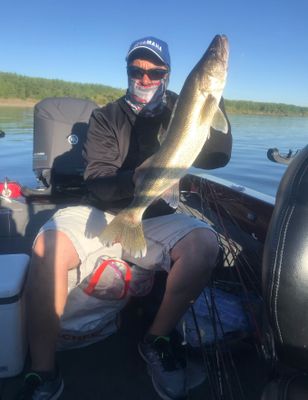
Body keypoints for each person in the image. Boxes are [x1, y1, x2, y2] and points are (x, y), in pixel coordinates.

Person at [17, 36, 232, 400]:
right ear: (129, 72)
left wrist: (214, 99)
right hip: (101, 210)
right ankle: (43, 371)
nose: (145, 78)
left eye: (155, 71)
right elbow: (98, 184)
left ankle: (155, 340)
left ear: (168, 75)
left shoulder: (185, 105)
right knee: (47, 246)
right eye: (137, 70)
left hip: (158, 215)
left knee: (204, 244)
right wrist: (133, 180)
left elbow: (216, 159)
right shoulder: (106, 117)